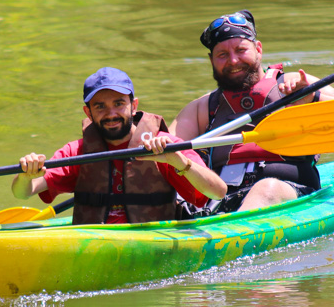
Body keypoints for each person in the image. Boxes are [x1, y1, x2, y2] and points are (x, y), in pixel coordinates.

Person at [171, 10, 334, 213]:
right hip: (223, 202)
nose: (233, 61)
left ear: (258, 49)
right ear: (211, 60)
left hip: (292, 193)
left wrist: (312, 98)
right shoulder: (203, 108)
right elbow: (164, 147)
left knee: (266, 188)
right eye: (222, 55)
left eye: (241, 50)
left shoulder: (294, 84)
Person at [12, 67, 227, 224]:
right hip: (94, 242)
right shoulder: (76, 152)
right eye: (100, 107)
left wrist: (178, 161)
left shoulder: (164, 145)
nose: (111, 114)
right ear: (88, 112)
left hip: (151, 244)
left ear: (133, 106)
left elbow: (218, 193)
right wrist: (25, 175)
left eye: (118, 104)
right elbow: (24, 192)